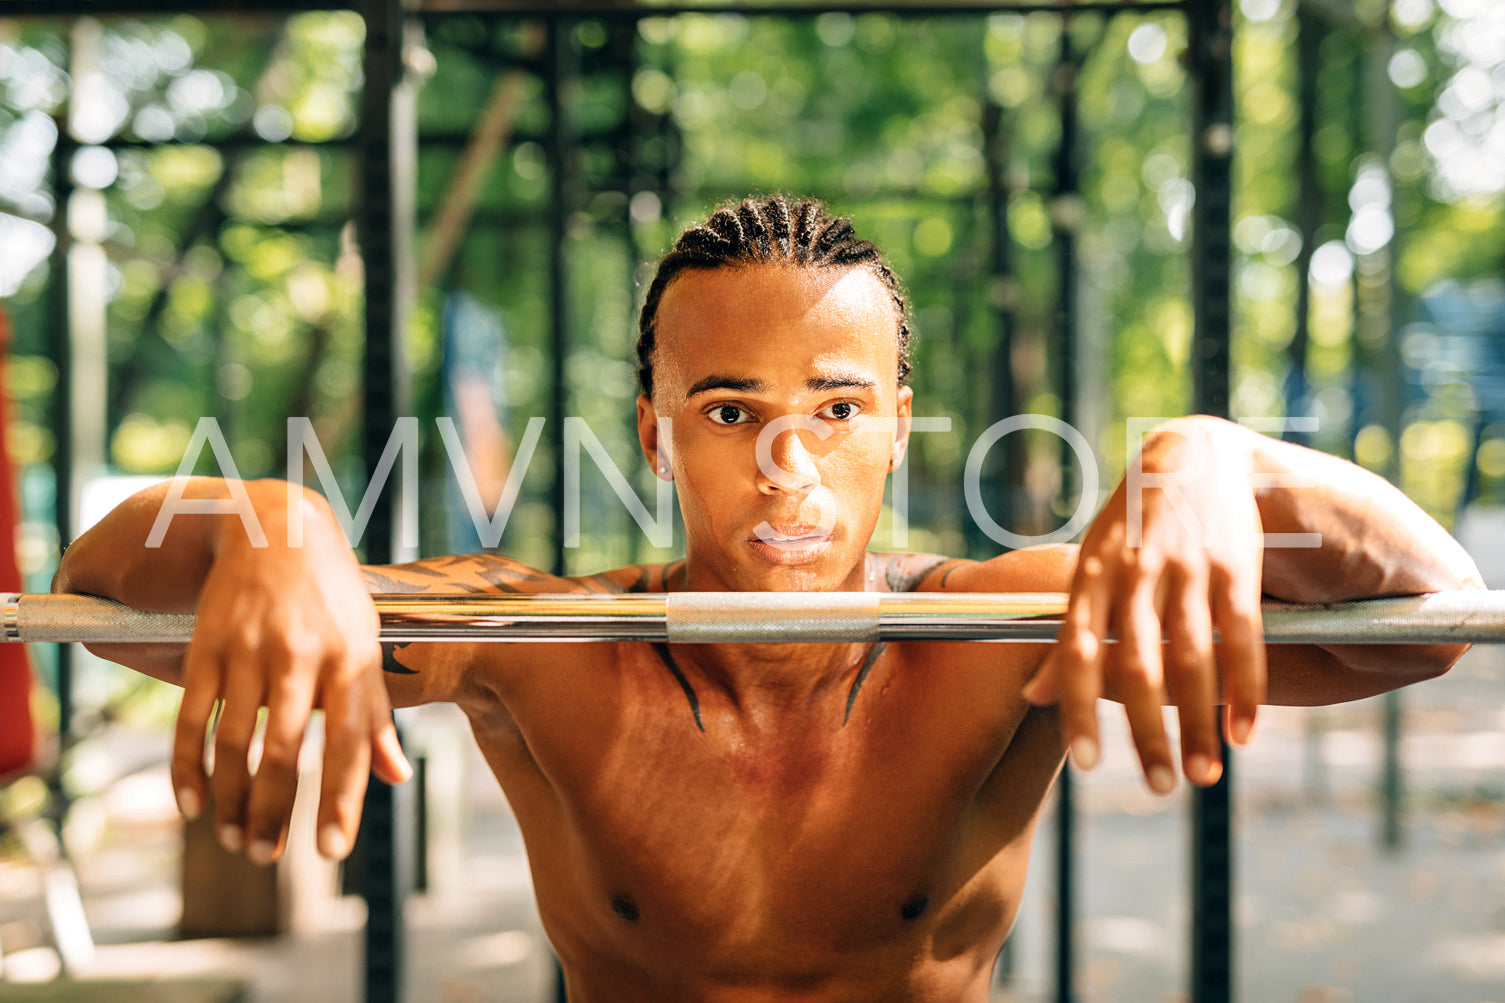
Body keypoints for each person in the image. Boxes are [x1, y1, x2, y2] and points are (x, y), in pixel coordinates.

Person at [56, 196, 1481, 1001]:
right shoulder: (540, 640)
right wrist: (272, 523)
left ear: (900, 423)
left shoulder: (1002, 632)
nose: (788, 464)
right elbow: (101, 596)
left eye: (837, 406)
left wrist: (1210, 464)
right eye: (729, 410)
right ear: (655, 426)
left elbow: (1426, 614)